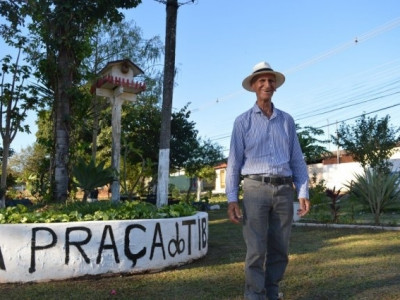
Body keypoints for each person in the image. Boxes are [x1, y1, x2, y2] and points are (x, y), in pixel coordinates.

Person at [225, 61, 310, 300]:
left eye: (270, 80)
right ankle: (254, 295)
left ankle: (272, 293)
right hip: (254, 190)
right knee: (255, 249)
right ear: (253, 86)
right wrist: (232, 198)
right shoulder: (242, 122)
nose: (267, 84)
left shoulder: (287, 121)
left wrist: (303, 192)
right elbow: (234, 162)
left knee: (280, 249)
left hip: (284, 190)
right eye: (261, 80)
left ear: (276, 86)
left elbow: (297, 159)